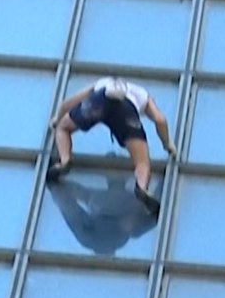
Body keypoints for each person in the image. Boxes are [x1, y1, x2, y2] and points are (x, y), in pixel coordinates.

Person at [46, 76, 176, 216]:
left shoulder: (104, 82)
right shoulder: (142, 94)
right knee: (142, 162)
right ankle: (142, 188)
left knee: (63, 129)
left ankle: (65, 160)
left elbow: (68, 103)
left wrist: (57, 120)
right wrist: (167, 144)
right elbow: (160, 119)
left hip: (99, 101)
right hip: (126, 111)